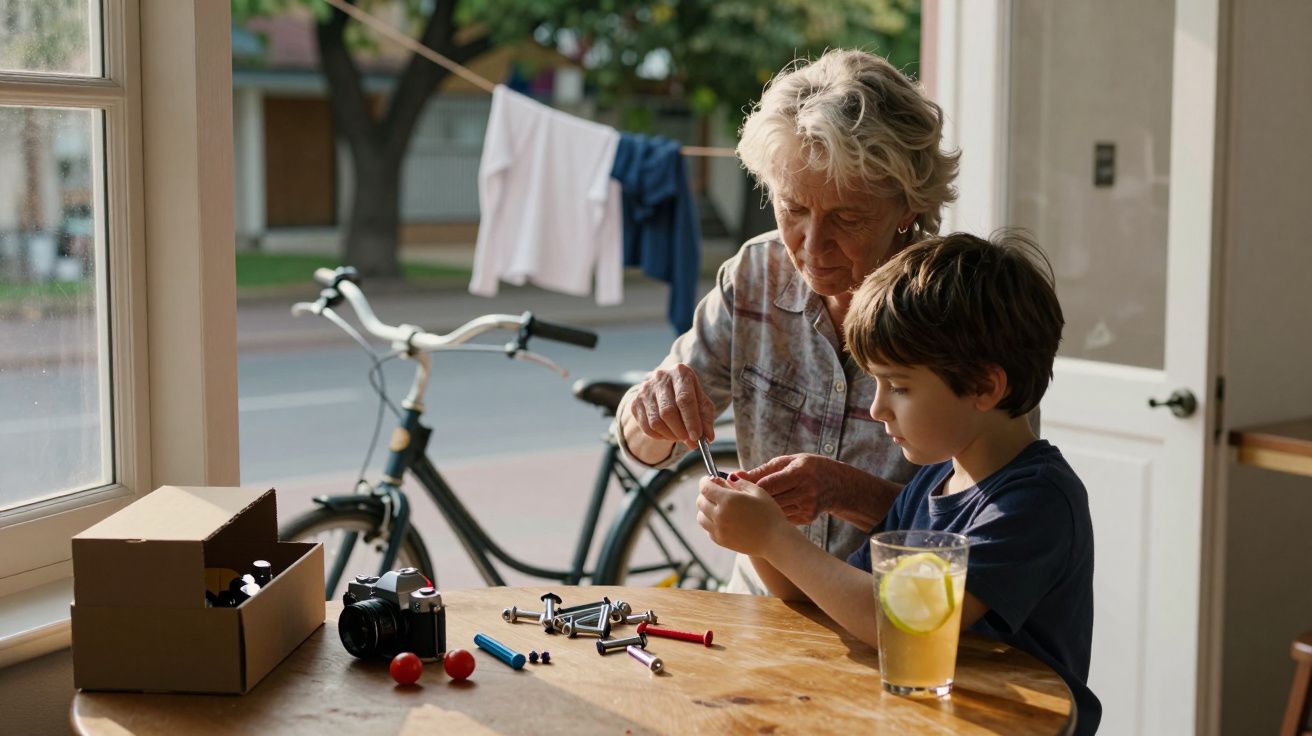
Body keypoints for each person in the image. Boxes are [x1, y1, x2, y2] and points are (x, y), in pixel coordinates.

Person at [696, 231, 1100, 734]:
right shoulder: (933, 483)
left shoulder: (1033, 502)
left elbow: (895, 627)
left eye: (899, 386)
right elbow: (830, 603)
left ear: (985, 386)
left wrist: (773, 537)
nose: (877, 406)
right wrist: (759, 531)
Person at [615, 49, 961, 593]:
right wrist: (650, 411)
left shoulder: (964, 308)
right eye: (793, 207)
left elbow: (989, 530)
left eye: (848, 216)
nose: (811, 244)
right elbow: (638, 445)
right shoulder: (757, 272)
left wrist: (845, 492)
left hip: (895, 619)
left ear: (909, 206)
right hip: (759, 614)